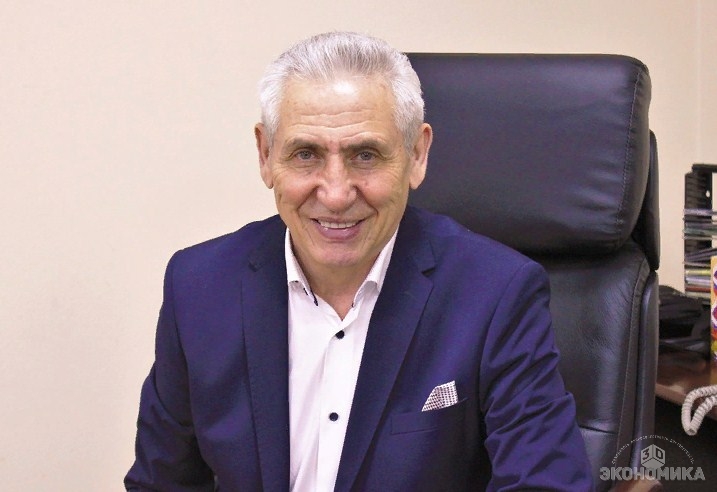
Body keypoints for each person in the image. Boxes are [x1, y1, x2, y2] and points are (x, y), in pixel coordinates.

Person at [125, 31, 593, 491]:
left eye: (365, 155)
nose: (335, 193)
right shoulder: (198, 287)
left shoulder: (496, 293)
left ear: (416, 155)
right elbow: (161, 483)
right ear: (266, 155)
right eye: (305, 154)